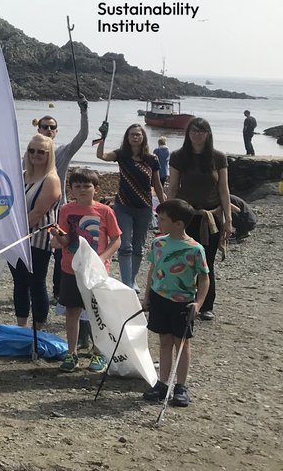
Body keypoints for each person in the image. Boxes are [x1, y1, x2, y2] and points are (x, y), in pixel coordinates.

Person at [48, 169, 121, 373]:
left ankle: (99, 352)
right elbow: (63, 240)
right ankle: (72, 353)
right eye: (77, 186)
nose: (82, 190)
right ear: (71, 189)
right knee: (72, 311)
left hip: (96, 271)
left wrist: (102, 258)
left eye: (86, 186)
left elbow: (116, 239)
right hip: (71, 268)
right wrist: (56, 236)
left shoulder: (105, 212)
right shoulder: (65, 210)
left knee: (97, 313)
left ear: (95, 189)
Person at [142, 198, 211, 407]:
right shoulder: (158, 243)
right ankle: (162, 384)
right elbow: (152, 270)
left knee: (181, 342)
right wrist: (147, 297)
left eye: (162, 219)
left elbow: (204, 277)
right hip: (159, 298)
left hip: (182, 302)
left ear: (178, 223)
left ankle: (180, 386)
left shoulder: (195, 248)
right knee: (164, 341)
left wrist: (198, 303)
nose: (158, 222)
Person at [167, 117, 231, 321]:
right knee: (183, 260)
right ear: (188, 134)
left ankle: (206, 305)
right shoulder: (178, 156)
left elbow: (224, 189)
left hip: (211, 217)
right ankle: (182, 300)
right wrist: (168, 215)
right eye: (193, 131)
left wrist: (228, 219)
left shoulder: (218, 157)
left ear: (208, 134)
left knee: (206, 262)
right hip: (185, 216)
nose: (197, 135)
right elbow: (173, 187)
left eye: (201, 131)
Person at [96, 124, 167, 289]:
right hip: (123, 206)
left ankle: (132, 280)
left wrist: (165, 207)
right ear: (127, 138)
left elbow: (157, 185)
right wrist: (103, 138)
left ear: (143, 138)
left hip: (144, 207)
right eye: (132, 134)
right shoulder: (122, 155)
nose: (135, 137)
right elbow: (101, 156)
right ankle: (126, 283)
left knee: (138, 247)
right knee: (125, 245)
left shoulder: (151, 159)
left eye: (138, 134)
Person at [38, 100, 88, 302]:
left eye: (52, 128)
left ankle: (58, 291)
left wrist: (84, 112)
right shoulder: (31, 153)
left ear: (56, 132)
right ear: (38, 129)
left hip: (59, 210)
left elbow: (82, 137)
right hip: (37, 210)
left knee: (61, 251)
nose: (48, 130)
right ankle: (37, 287)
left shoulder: (63, 152)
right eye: (45, 127)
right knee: (38, 250)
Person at [10, 134, 60, 329]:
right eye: (32, 150)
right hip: (15, 239)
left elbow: (38, 213)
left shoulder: (51, 180)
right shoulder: (21, 176)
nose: (35, 155)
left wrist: (13, 232)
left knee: (36, 283)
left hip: (37, 240)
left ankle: (38, 329)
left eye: (41, 152)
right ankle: (21, 326)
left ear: (49, 155)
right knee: (19, 283)